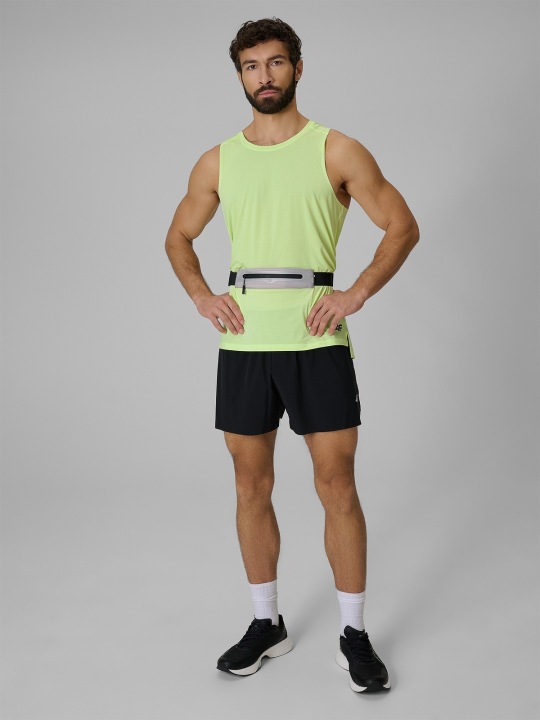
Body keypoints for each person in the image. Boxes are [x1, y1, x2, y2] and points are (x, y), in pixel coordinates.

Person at [165, 17, 419, 695]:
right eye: (251, 66)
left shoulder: (337, 150)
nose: (264, 76)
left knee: (337, 485)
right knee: (250, 486)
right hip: (246, 343)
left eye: (276, 62)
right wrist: (201, 295)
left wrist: (357, 292)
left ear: (297, 68)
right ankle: (266, 622)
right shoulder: (217, 161)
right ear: (239, 76)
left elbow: (401, 225)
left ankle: (354, 633)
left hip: (316, 339)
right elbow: (178, 237)